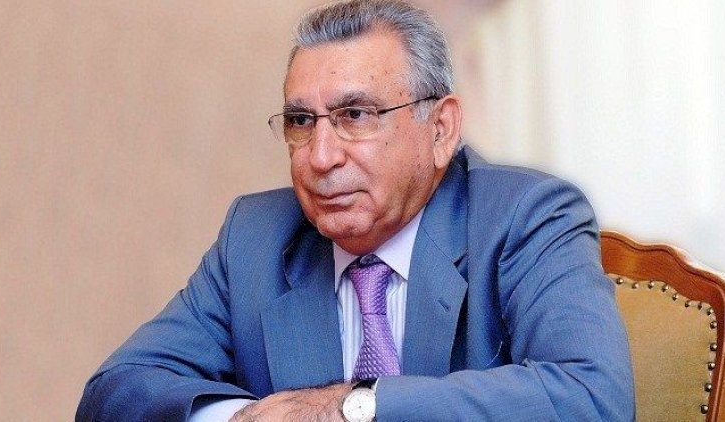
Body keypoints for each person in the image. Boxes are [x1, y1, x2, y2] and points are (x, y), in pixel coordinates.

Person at [76, 0, 634, 421]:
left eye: (356, 115)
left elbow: (592, 398)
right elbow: (117, 391)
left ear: (441, 130)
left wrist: (349, 407)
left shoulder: (526, 216)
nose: (321, 157)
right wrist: (243, 418)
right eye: (301, 121)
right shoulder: (256, 237)